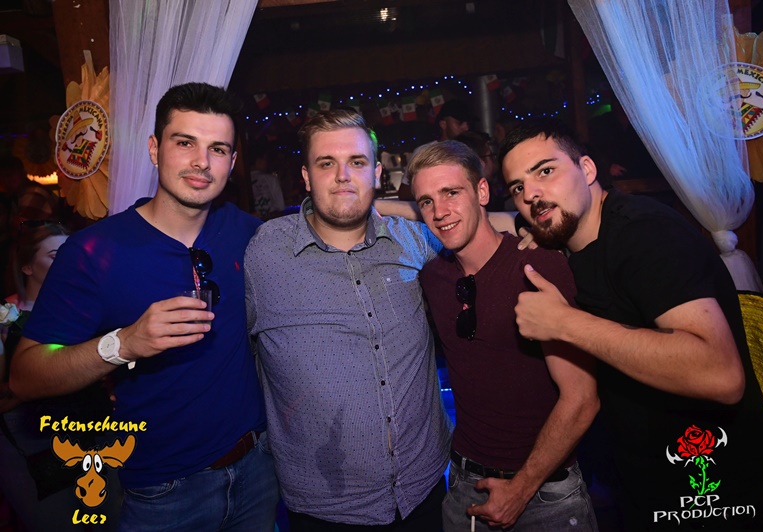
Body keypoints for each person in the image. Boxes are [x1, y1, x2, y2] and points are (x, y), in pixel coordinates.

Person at [9, 83, 278, 531]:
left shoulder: (248, 232)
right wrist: (123, 344)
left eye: (217, 149)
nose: (201, 162)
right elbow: (25, 375)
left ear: (231, 163)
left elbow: (325, 224)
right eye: (185, 142)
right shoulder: (93, 252)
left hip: (257, 472)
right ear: (155, 149)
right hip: (164, 494)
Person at [499, 118, 763, 530]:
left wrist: (565, 323)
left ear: (586, 169)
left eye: (545, 171)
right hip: (646, 480)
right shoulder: (574, 238)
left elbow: (721, 374)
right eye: (517, 187)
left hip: (714, 489)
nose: (531, 194)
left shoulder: (645, 234)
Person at [245, 109, 451, 531]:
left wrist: (525, 230)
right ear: (306, 177)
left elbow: (473, 234)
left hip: (424, 493)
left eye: (356, 163)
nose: (342, 176)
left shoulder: (412, 240)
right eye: (327, 163)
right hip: (325, 507)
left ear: (376, 173)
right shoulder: (264, 254)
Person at [406, 140, 599, 531]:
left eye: (451, 193)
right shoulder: (432, 276)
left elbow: (582, 398)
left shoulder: (536, 267)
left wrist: (520, 489)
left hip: (545, 492)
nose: (439, 212)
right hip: (463, 487)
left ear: (481, 192)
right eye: (426, 201)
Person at [0, 222, 120, 531]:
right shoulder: (6, 319)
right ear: (27, 266)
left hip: (95, 435)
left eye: (73, 254)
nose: (69, 262)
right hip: (34, 447)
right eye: (56, 255)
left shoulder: (88, 309)